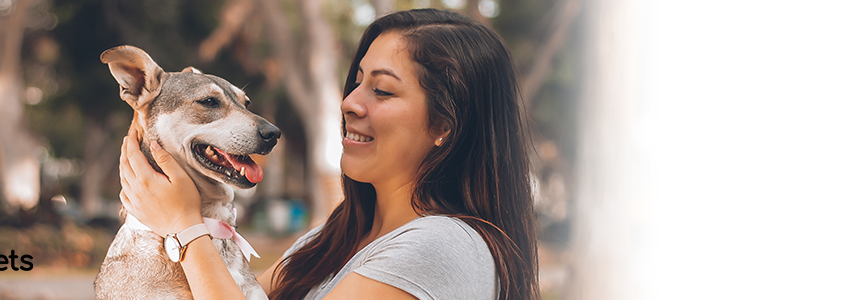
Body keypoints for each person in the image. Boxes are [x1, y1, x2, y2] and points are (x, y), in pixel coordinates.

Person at [119, 8, 539, 300]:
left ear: (445, 125)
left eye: (382, 89)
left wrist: (183, 224)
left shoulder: (442, 246)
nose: (350, 103)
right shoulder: (329, 240)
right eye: (356, 83)